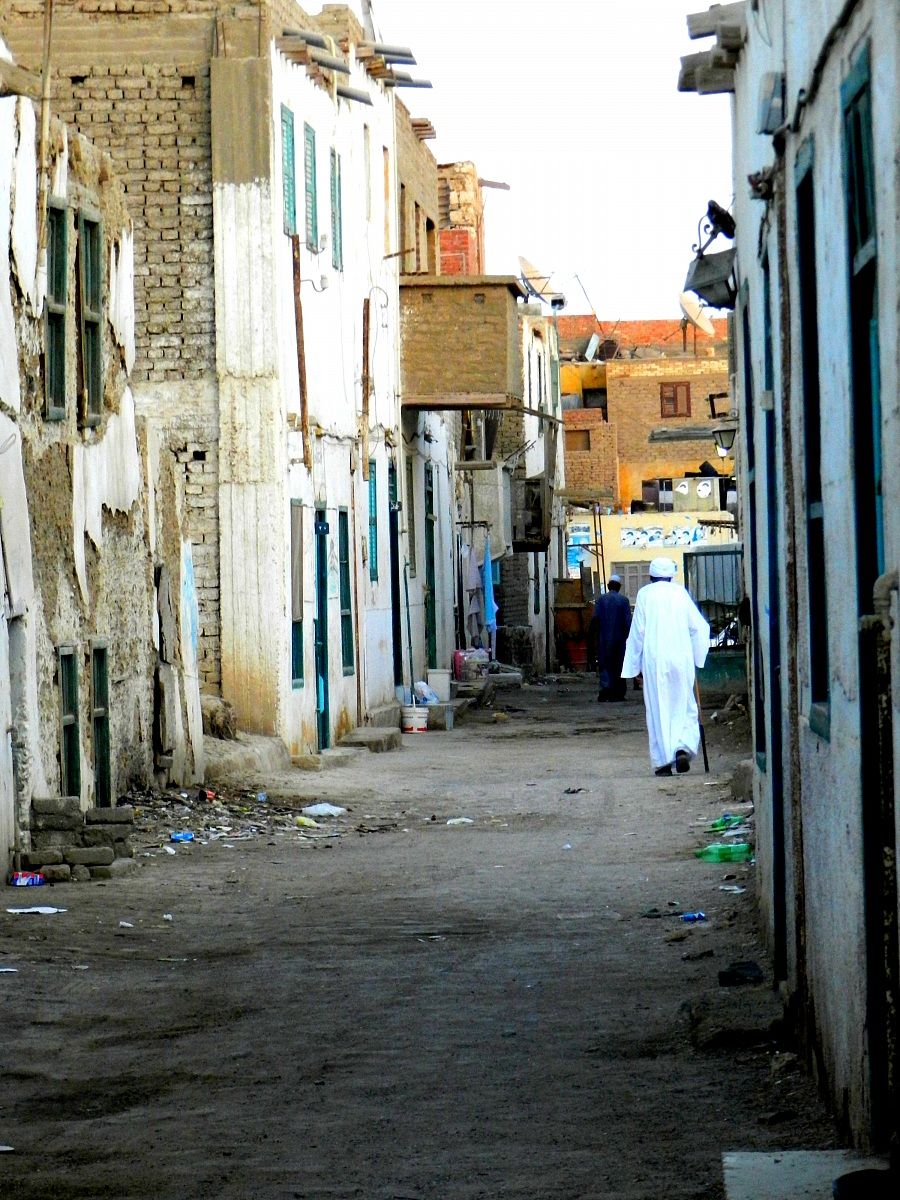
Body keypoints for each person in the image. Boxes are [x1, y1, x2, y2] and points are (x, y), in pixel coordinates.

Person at [621, 557, 710, 776]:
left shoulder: (644, 595)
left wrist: (633, 667)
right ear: (671, 575)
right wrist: (698, 657)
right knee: (685, 704)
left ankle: (663, 762)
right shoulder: (680, 593)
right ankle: (682, 747)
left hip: (655, 660)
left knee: (659, 707)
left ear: (651, 576)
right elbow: (699, 627)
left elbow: (638, 632)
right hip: (681, 657)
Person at [591, 574, 632, 701]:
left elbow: (595, 619)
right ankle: (618, 693)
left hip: (604, 639)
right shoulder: (624, 601)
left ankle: (605, 691)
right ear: (619, 587)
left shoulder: (601, 600)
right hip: (620, 640)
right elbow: (628, 623)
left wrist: (593, 637)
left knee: (605, 665)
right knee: (619, 665)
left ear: (608, 586)